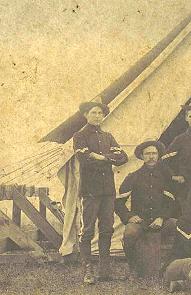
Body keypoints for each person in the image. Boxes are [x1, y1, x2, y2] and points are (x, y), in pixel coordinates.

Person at [73, 101, 128, 284]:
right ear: (86, 115)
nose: (97, 116)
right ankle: (87, 270)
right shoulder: (79, 136)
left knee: (107, 229)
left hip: (107, 191)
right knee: (87, 230)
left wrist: (103, 157)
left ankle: (104, 270)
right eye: (94, 112)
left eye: (100, 113)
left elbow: (123, 158)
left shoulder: (107, 136)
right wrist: (109, 159)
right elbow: (86, 159)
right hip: (90, 191)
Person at [115, 139, 178, 280]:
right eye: (147, 154)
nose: (151, 157)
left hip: (160, 221)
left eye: (154, 153)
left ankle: (170, 265)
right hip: (140, 221)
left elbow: (171, 203)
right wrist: (129, 216)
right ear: (142, 156)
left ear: (158, 155)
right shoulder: (133, 176)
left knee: (178, 226)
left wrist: (162, 217)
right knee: (130, 232)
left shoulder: (166, 177)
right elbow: (118, 203)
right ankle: (133, 267)